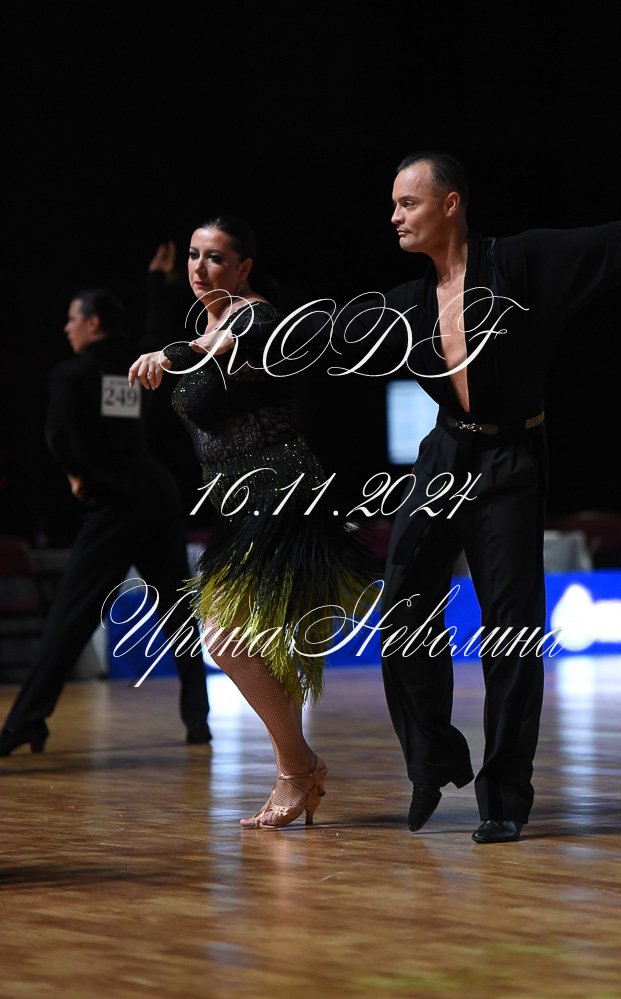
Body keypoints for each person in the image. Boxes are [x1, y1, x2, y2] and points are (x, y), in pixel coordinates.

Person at [215, 153, 621, 842]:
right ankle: (433, 760)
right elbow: (329, 329)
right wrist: (242, 330)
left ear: (450, 204)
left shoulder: (522, 265)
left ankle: (505, 797)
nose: (394, 217)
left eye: (408, 203)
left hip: (511, 462)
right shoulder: (410, 303)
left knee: (511, 631)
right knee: (402, 610)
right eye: (393, 205)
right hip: (447, 453)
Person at [129, 215, 374, 828]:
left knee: (224, 638)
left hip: (280, 491)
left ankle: (298, 769)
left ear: (243, 268)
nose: (200, 267)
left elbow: (252, 334)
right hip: (237, 503)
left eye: (215, 258)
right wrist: (179, 345)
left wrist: (181, 352)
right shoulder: (205, 327)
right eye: (194, 255)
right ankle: (299, 767)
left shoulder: (254, 317)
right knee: (240, 640)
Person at [0, 288, 211, 756]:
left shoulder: (71, 373)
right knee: (178, 613)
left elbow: (58, 435)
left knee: (70, 615)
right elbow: (157, 337)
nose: (66, 328)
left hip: (114, 499)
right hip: (156, 493)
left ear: (93, 323)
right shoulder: (133, 365)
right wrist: (157, 283)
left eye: (72, 319)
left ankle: (25, 723)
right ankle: (198, 720)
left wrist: (78, 476)